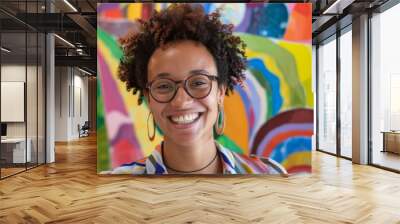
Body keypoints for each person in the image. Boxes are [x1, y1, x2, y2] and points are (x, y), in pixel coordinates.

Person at [113, 3, 287, 175]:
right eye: (164, 86)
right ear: (148, 97)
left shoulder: (270, 173)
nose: (181, 101)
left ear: (220, 91)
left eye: (198, 82)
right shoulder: (119, 184)